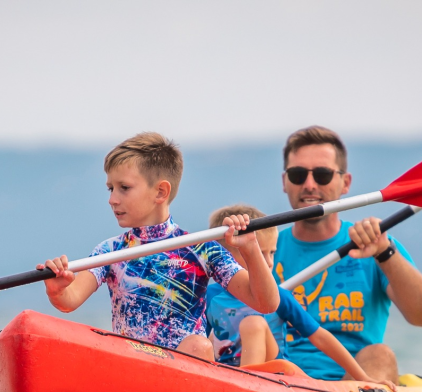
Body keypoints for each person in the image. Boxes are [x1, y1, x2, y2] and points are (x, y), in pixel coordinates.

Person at [38, 132, 279, 360]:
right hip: (131, 370)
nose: (112, 199)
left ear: (161, 192)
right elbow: (69, 301)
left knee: (198, 345)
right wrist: (57, 290)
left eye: (124, 188)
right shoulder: (109, 251)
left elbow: (266, 303)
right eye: (111, 188)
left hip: (185, 375)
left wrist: (250, 248)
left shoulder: (201, 249)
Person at [273, 126, 422, 382]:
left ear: (346, 183)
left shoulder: (378, 245)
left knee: (380, 355)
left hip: (353, 386)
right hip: (278, 384)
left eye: (322, 175)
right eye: (298, 175)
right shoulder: (264, 250)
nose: (309, 185)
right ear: (285, 182)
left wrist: (384, 252)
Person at [205, 204, 397, 390]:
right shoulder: (209, 296)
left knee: (252, 324)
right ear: (224, 257)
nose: (269, 262)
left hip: (275, 374)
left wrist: (362, 377)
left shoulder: (276, 295)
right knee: (203, 340)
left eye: (272, 252)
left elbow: (321, 337)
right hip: (225, 372)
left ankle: (246, 389)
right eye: (258, 253)